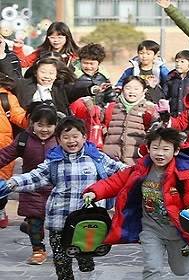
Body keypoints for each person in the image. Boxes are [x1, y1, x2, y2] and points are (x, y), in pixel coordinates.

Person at [3, 116, 126, 280]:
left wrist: (142, 174)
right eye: (66, 137)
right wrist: (11, 183)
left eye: (75, 136)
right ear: (58, 140)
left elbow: (123, 171)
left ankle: (86, 263)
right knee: (61, 261)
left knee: (85, 259)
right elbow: (35, 176)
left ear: (84, 137)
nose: (71, 141)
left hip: (87, 221)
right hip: (59, 219)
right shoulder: (54, 161)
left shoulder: (97, 158)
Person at [83, 127, 189, 279]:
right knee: (152, 268)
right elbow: (115, 181)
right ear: (148, 149)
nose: (160, 153)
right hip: (151, 230)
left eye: (165, 149)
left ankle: (186, 249)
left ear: (176, 151)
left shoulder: (185, 176)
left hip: (178, 233)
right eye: (155, 148)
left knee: (181, 270)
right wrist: (94, 192)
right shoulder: (140, 169)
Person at [0, 104, 58, 264]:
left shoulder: (61, 139)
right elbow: (5, 155)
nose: (44, 129)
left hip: (56, 190)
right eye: (40, 125)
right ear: (32, 123)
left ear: (56, 125)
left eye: (49, 125)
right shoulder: (24, 139)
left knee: (57, 224)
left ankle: (60, 248)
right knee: (34, 221)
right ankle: (38, 250)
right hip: (31, 188)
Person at [102, 76, 155, 165]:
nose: (132, 91)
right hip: (110, 161)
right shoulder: (111, 107)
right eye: (128, 88)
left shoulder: (149, 110)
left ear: (144, 91)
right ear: (122, 90)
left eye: (136, 89)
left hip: (135, 162)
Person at [13, 57, 92, 116]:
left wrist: (93, 89)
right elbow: (9, 77)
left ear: (56, 75)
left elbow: (76, 90)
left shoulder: (61, 88)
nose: (47, 76)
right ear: (35, 73)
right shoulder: (24, 86)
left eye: (51, 73)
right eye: (43, 72)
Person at [0, 72, 29, 229]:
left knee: (1, 185)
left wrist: (35, 119)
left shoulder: (6, 97)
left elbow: (19, 116)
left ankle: (0, 208)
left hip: (2, 150)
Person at [13, 22, 79, 68]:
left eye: (60, 37)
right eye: (52, 37)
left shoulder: (75, 54)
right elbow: (23, 63)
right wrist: (17, 49)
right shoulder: (40, 53)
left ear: (67, 38)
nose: (56, 40)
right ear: (47, 38)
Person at [165, 50, 189, 117]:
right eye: (177, 61)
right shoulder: (171, 77)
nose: (178, 64)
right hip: (174, 115)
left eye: (182, 62)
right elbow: (165, 95)